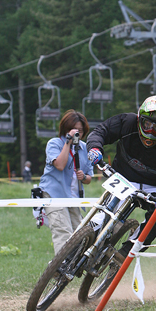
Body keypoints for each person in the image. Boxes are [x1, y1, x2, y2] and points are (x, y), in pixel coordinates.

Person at [87, 94, 156, 259]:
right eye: (147, 123)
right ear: (139, 119)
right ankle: (80, 242)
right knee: (101, 216)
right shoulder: (126, 122)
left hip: (154, 188)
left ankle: (128, 251)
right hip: (124, 178)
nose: (150, 131)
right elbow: (101, 131)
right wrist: (95, 148)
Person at [39, 109, 94, 255]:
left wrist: (84, 177)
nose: (77, 134)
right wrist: (68, 142)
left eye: (80, 131)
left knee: (79, 234)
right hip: (54, 194)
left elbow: (89, 178)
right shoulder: (54, 144)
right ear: (65, 129)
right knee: (63, 231)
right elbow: (60, 165)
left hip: (73, 197)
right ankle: (59, 268)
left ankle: (72, 266)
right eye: (73, 130)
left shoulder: (84, 148)